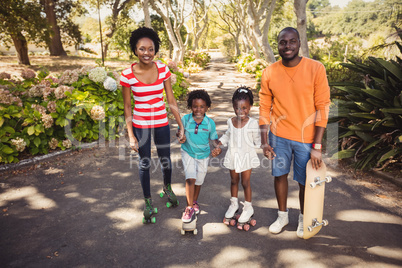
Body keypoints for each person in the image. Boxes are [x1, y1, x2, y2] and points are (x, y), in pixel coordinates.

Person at [259, 27, 330, 238]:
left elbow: (322, 107)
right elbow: (264, 107)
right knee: (279, 176)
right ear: (278, 45)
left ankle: (303, 218)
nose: (287, 46)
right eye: (283, 42)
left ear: (299, 43)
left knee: (303, 181)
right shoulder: (270, 71)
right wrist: (264, 141)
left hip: (306, 139)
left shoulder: (316, 69)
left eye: (292, 41)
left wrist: (317, 146)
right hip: (278, 136)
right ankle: (282, 215)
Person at [120, 27, 185, 222]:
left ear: (155, 50)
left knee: (166, 159)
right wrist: (131, 135)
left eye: (150, 49)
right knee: (144, 162)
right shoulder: (127, 75)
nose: (146, 53)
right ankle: (148, 200)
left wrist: (180, 125)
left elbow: (171, 99)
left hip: (162, 123)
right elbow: (127, 107)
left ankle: (167, 188)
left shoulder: (163, 69)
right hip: (141, 125)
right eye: (142, 49)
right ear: (135, 50)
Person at [213, 87, 261, 229]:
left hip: (246, 157)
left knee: (245, 182)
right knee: (234, 181)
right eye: (237, 108)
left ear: (250, 107)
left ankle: (248, 207)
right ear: (233, 107)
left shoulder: (252, 123)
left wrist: (265, 147)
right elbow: (228, 135)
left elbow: (257, 139)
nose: (241, 112)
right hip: (233, 156)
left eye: (244, 108)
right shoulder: (230, 121)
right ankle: (234, 204)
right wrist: (219, 144)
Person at [179, 89, 219, 223]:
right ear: (191, 106)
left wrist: (217, 148)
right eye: (195, 106)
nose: (198, 109)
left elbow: (214, 140)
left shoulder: (209, 123)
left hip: (203, 155)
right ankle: (189, 207)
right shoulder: (185, 119)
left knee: (199, 180)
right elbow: (180, 132)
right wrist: (181, 136)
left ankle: (194, 201)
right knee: (190, 178)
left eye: (202, 107)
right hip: (188, 152)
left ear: (207, 107)